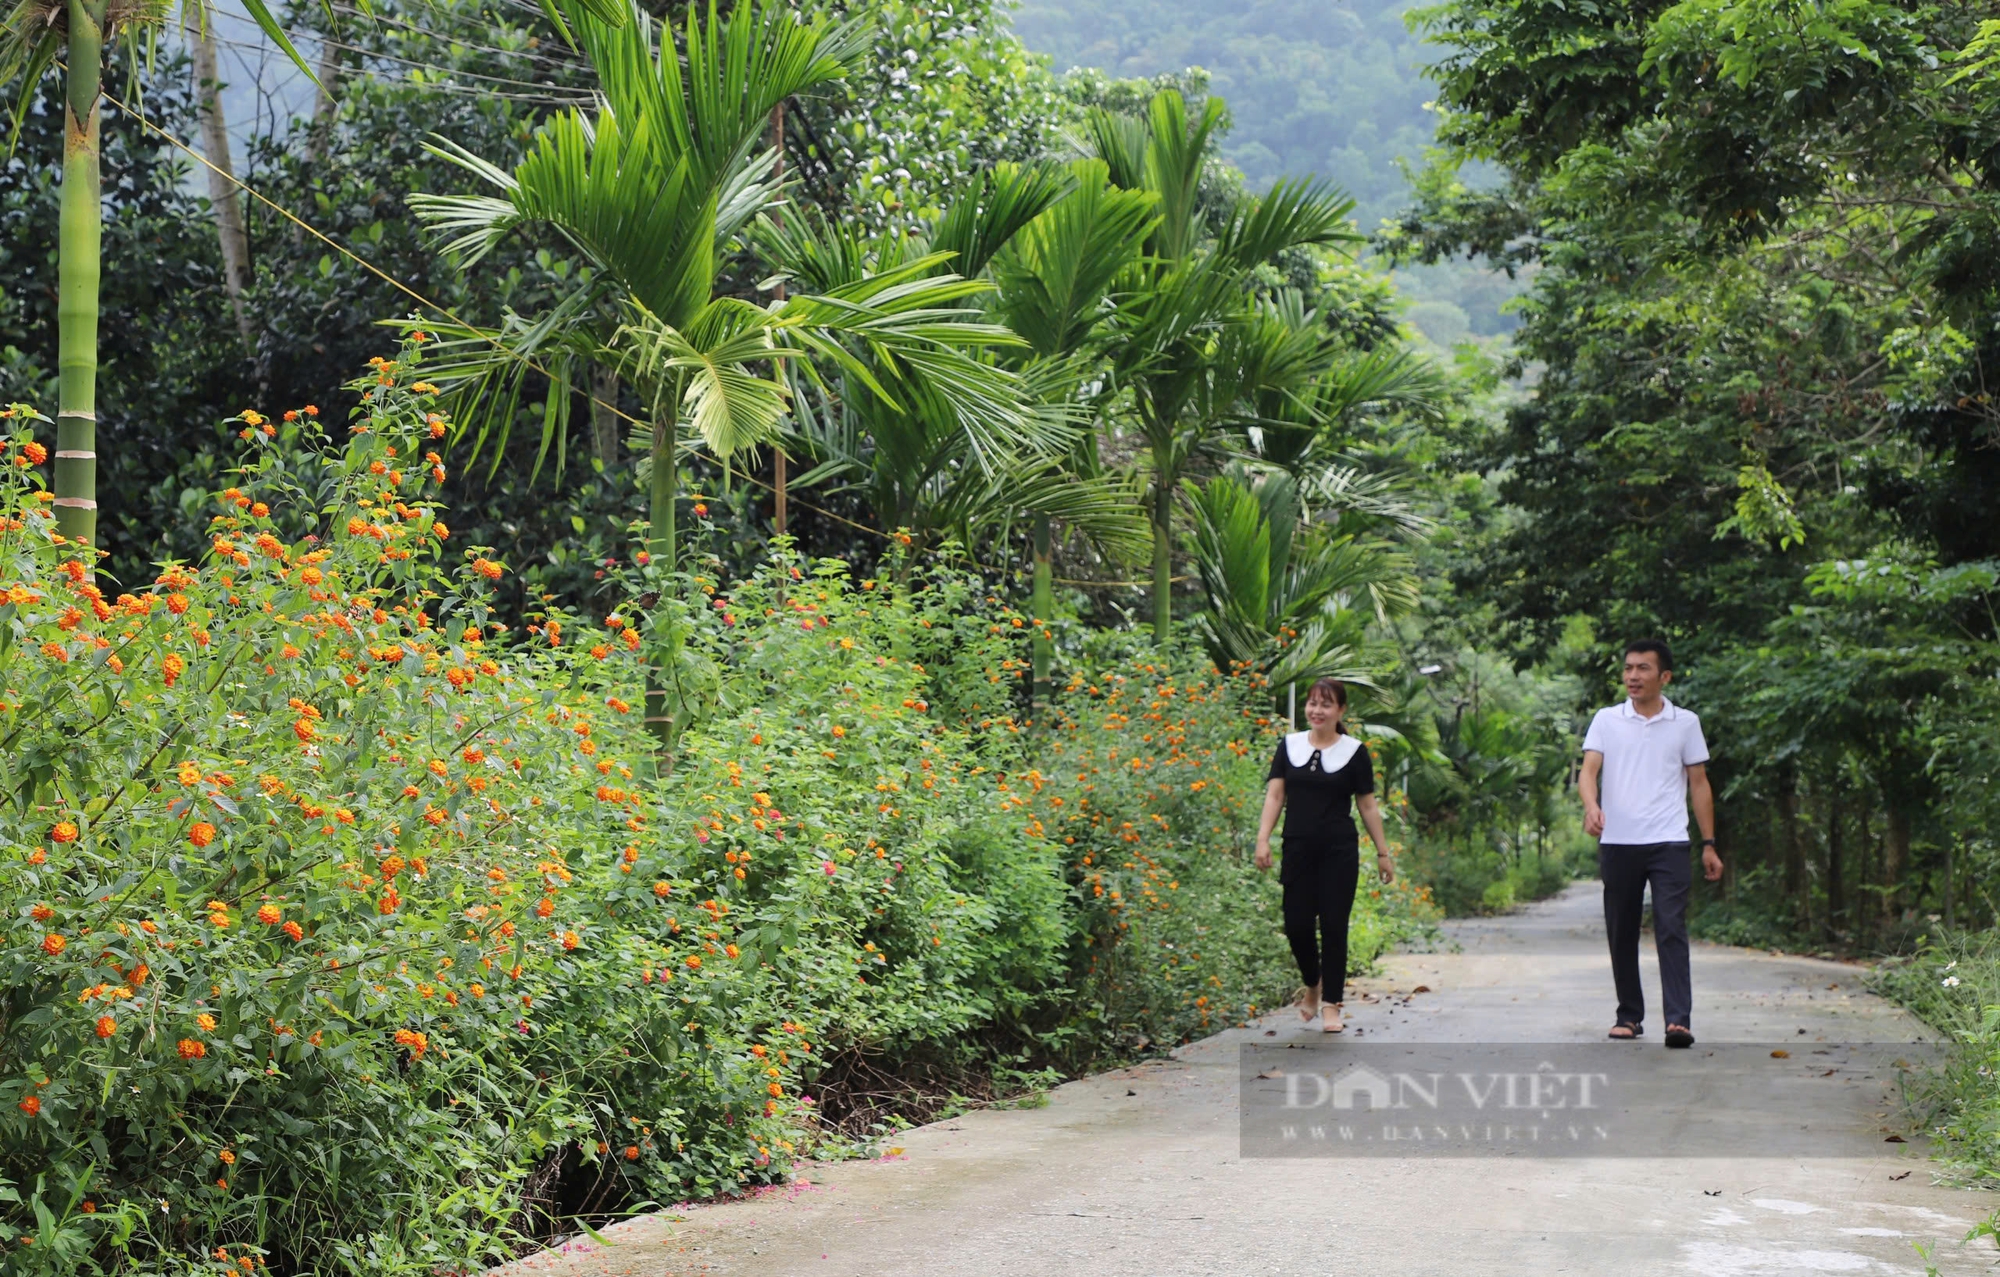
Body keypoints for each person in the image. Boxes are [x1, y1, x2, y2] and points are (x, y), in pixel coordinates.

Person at [1578, 639, 1722, 1049]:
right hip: (1618, 842)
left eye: (1643, 668)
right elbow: (1588, 772)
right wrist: (1591, 806)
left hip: (1670, 841)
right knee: (1621, 929)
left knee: (1671, 927)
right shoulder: (1607, 719)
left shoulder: (1685, 722)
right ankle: (1629, 1016)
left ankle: (1678, 1020)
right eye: (1628, 668)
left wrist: (1708, 843)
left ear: (1665, 677)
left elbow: (1699, 784)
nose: (1632, 676)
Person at [1254, 677, 1394, 1033]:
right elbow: (1275, 796)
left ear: (1340, 710)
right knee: (1296, 926)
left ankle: (1332, 1004)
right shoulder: (1289, 746)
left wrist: (1383, 853)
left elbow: (1367, 804)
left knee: (1334, 927)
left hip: (1339, 852)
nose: (1317, 710)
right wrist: (1263, 840)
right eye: (1313, 703)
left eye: (1326, 704)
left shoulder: (1354, 752)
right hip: (1297, 849)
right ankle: (1313, 983)